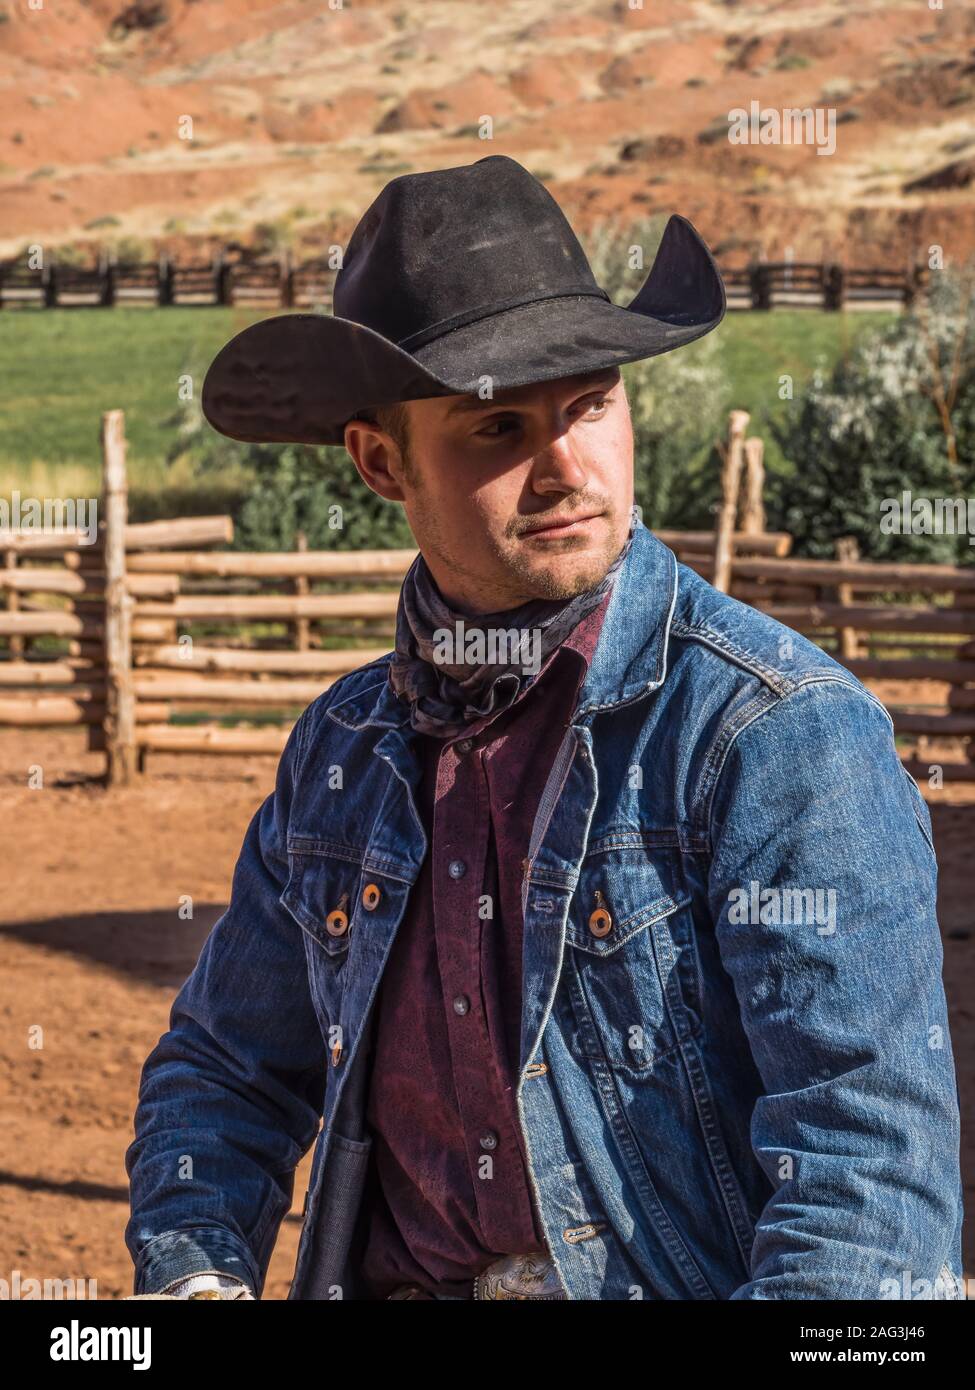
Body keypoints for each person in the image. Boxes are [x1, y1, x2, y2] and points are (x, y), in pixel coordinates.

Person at [124, 155, 964, 1301]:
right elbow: (224, 1069)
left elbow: (867, 1191)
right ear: (382, 461)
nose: (568, 468)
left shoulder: (775, 736)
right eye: (497, 426)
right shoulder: (345, 751)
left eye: (591, 404)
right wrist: (194, 1275)